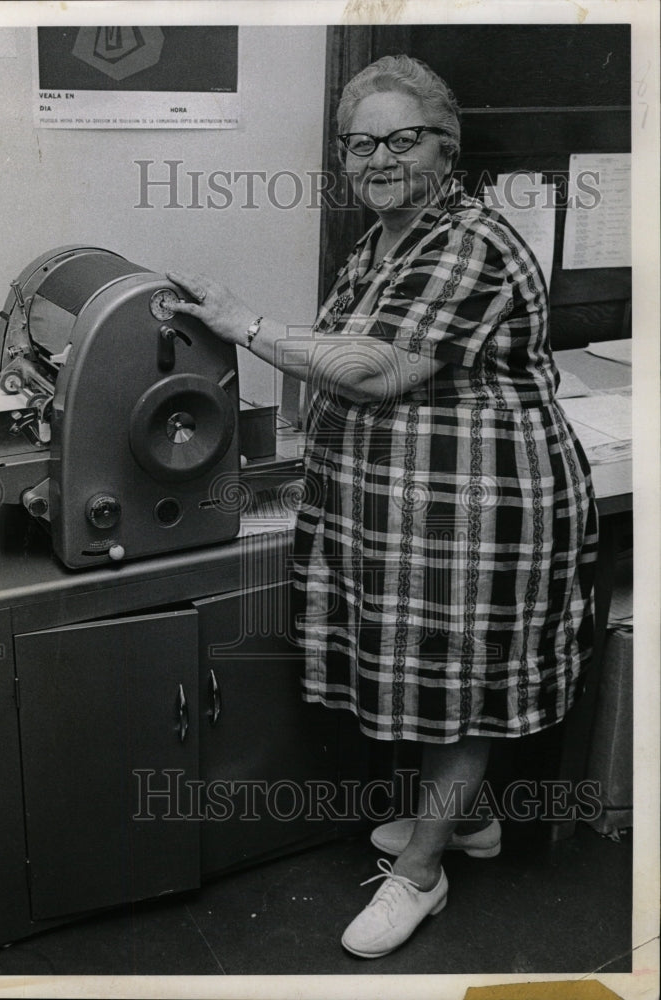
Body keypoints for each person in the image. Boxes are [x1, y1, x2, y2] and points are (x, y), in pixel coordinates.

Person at [168, 54, 598, 959]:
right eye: (361, 143)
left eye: (403, 138)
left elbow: (371, 369)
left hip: (475, 508)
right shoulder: (385, 239)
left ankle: (423, 877)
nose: (378, 158)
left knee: (459, 688)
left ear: (448, 149)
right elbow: (344, 344)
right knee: (427, 676)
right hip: (404, 508)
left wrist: (244, 323)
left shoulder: (469, 242)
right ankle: (468, 820)